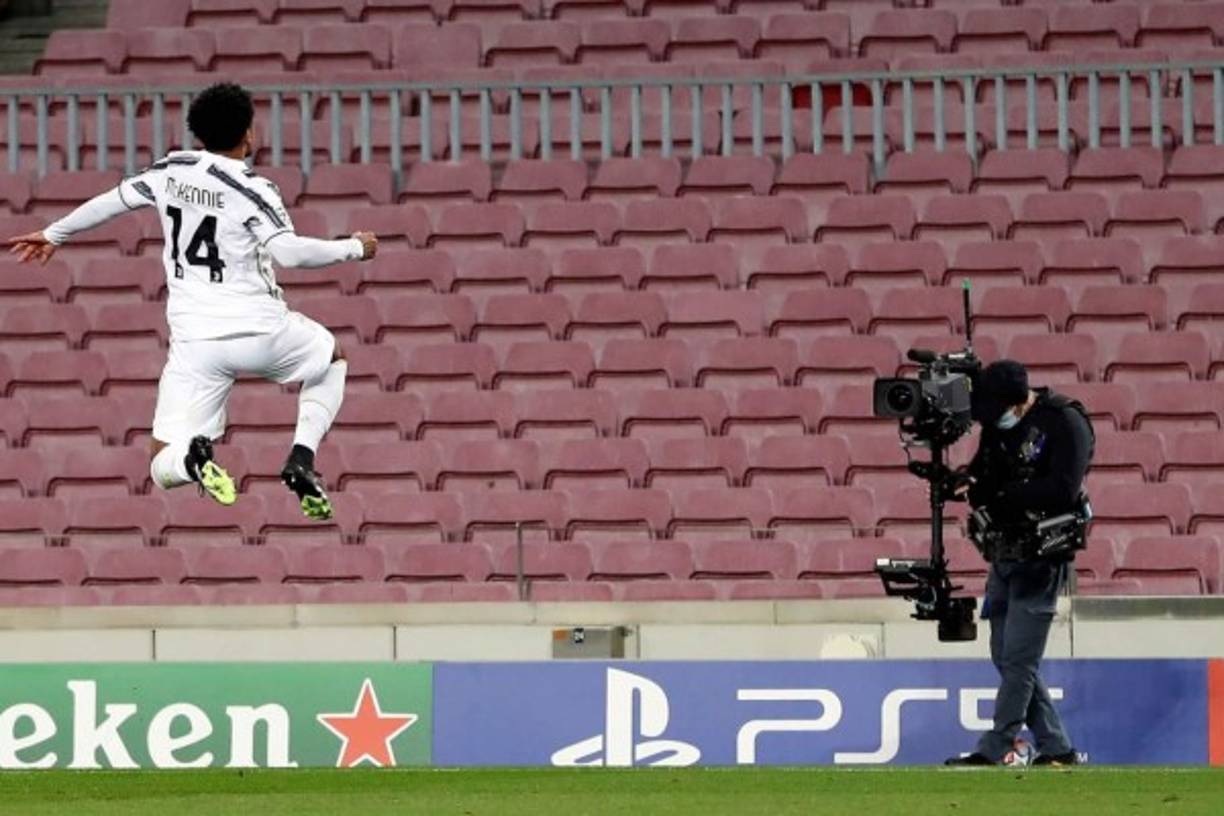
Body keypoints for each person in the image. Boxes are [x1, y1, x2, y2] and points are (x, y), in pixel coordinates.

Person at [5, 82, 377, 521]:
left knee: (161, 461)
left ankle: (191, 460)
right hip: (262, 330)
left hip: (197, 343)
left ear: (198, 133)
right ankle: (301, 457)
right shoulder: (254, 188)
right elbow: (289, 253)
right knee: (333, 357)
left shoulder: (172, 170)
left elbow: (113, 201)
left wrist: (54, 234)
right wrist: (354, 247)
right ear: (250, 134)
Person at [945, 359, 1094, 767]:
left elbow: (1063, 489)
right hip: (1004, 552)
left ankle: (996, 746)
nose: (993, 421)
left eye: (997, 412)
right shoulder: (998, 424)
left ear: (1017, 402)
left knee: (1019, 659)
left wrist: (1006, 495)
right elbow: (984, 473)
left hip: (1043, 557)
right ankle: (1057, 746)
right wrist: (966, 482)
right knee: (1005, 654)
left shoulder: (1064, 421)